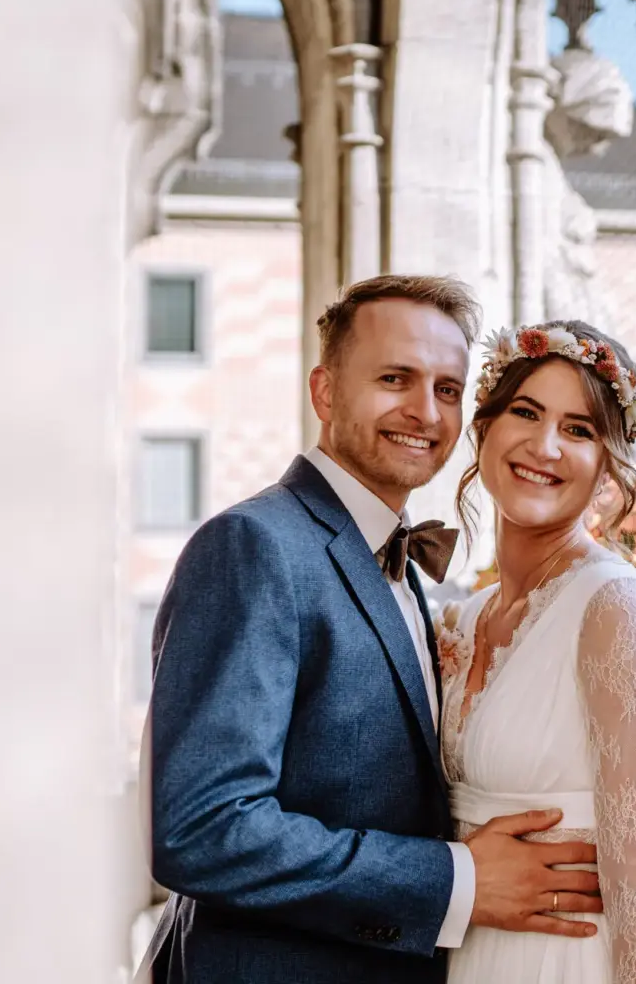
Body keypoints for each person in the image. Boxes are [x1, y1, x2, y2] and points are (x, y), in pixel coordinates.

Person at [138, 276, 605, 984]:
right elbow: (204, 830)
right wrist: (458, 879)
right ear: (324, 392)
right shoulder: (253, 546)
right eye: (395, 378)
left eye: (449, 389)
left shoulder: (399, 562)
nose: (425, 411)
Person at [439, 320, 636, 983]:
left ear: (606, 468)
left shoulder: (616, 611)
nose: (544, 445)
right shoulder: (461, 625)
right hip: (468, 954)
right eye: (525, 412)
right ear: (483, 428)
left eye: (579, 430)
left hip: (568, 961)